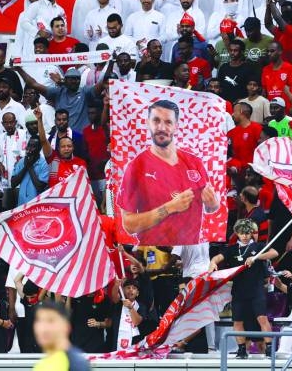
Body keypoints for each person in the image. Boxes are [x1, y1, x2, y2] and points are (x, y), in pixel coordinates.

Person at [117, 100, 219, 245]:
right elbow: (128, 225)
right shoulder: (136, 167)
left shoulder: (194, 162)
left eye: (168, 122)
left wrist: (213, 203)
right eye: (156, 120)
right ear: (148, 123)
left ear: (176, 126)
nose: (161, 127)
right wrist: (170, 207)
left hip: (192, 250)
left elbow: (210, 208)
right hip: (155, 253)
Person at [209, 219, 277, 357]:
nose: (244, 236)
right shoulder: (232, 249)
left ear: (251, 233)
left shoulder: (258, 246)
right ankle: (241, 349)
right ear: (237, 233)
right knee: (237, 320)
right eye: (241, 233)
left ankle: (269, 347)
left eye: (247, 233)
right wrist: (212, 262)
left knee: (262, 318)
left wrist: (257, 257)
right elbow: (217, 257)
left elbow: (274, 253)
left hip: (256, 289)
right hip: (239, 290)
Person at [32, 301, 91, 370]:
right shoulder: (42, 364)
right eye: (39, 321)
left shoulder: (75, 364)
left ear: (66, 327)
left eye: (51, 321)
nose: (43, 328)